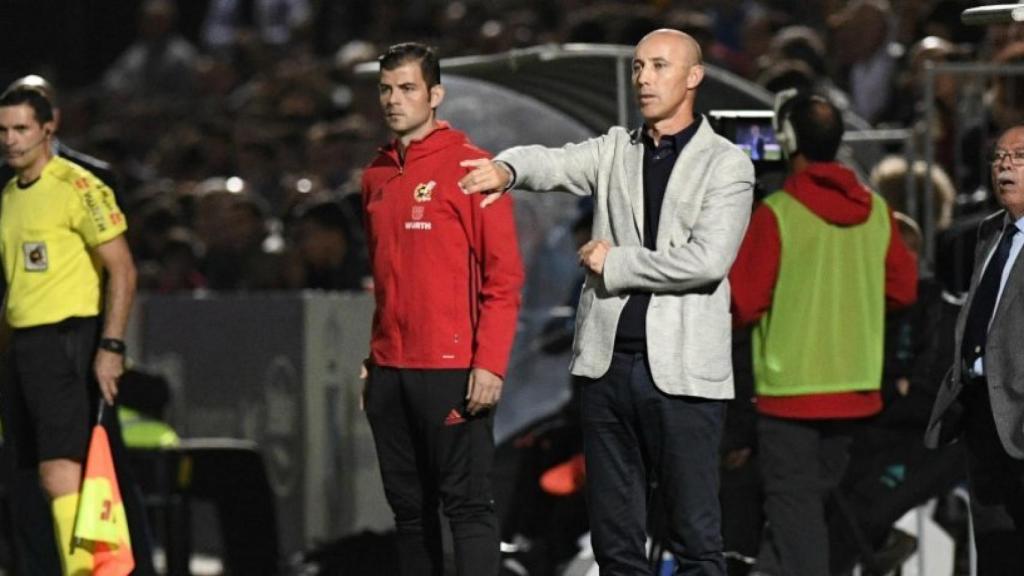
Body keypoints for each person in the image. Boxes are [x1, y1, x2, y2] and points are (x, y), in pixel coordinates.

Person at [461, 28, 755, 575]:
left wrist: (616, 262)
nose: (644, 77)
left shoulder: (727, 164)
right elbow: (555, 163)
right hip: (607, 369)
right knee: (615, 539)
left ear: (694, 77)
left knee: (695, 535)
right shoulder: (616, 148)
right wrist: (507, 168)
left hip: (685, 373)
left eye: (659, 66)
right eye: (639, 66)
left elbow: (706, 261)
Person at [729, 90, 917, 576]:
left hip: (788, 396)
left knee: (795, 518)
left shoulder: (777, 214)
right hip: (855, 392)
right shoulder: (878, 212)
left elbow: (742, 304)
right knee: (804, 518)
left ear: (788, 140)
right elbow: (903, 290)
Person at [360, 42, 524, 576]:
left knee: (468, 507)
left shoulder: (472, 168)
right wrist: (373, 359)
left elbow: (504, 278)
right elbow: (386, 280)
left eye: (407, 88)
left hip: (452, 368)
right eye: (386, 89)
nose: (393, 99)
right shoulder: (375, 174)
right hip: (391, 371)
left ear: (435, 95)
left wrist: (490, 363)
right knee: (409, 512)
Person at [0, 75, 156, 576]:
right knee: (30, 474)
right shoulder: (9, 194)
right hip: (24, 345)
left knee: (62, 471)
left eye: (22, 129)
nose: (11, 140)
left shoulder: (80, 185)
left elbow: (122, 269)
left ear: (48, 129)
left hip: (67, 339)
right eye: (3, 130)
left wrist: (111, 345)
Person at [926, 124, 1024, 573]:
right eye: (999, 157)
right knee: (994, 547)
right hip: (983, 414)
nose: (1004, 166)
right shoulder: (989, 233)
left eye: (1018, 157)